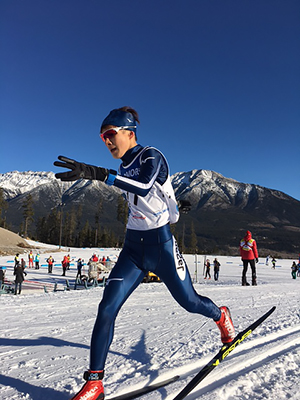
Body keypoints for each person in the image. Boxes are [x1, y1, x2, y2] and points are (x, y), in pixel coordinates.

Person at [54, 106, 235, 400]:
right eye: (103, 138)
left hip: (161, 246)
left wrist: (96, 173)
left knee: (190, 302)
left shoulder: (151, 155)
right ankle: (95, 382)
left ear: (129, 132)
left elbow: (145, 184)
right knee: (107, 307)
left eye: (111, 134)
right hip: (133, 249)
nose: (107, 141)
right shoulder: (124, 165)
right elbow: (157, 196)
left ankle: (220, 315)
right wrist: (176, 207)